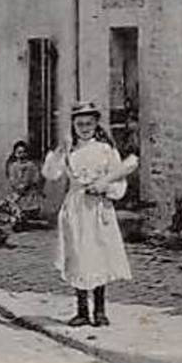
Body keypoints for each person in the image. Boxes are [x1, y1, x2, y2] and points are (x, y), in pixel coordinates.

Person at [42, 101, 138, 327]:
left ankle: (101, 310)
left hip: (98, 208)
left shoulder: (105, 150)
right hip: (76, 207)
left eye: (89, 123)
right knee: (78, 255)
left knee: (98, 255)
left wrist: (105, 187)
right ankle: (82, 311)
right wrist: (59, 150)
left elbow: (118, 177)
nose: (84, 128)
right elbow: (51, 173)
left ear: (96, 125)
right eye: (79, 124)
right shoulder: (70, 150)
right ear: (73, 125)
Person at [4, 140, 44, 224]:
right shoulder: (13, 166)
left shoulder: (32, 166)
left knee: (30, 205)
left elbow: (35, 180)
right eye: (19, 152)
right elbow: (12, 180)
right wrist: (18, 188)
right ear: (15, 154)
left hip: (29, 194)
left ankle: (25, 215)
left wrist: (27, 186)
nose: (22, 155)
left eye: (24, 152)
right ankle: (18, 216)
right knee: (12, 202)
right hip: (18, 193)